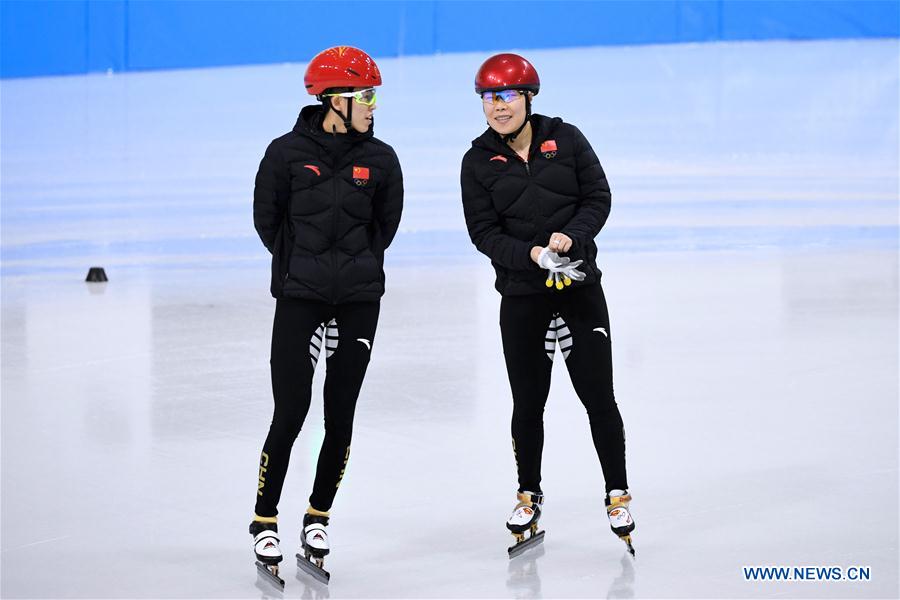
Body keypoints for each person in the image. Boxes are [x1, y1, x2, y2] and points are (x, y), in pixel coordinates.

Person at [459, 53, 636, 557]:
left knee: (598, 396)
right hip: (521, 296)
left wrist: (572, 238)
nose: (497, 107)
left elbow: (597, 197)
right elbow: (483, 233)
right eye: (489, 98)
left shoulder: (568, 138)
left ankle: (617, 493)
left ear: (528, 97)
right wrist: (532, 255)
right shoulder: (476, 161)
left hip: (579, 288)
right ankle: (528, 494)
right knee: (528, 403)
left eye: (507, 96)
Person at [249, 45, 403, 584]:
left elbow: (386, 226)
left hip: (358, 302)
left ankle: (318, 517)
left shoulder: (381, 159)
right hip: (301, 299)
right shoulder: (284, 154)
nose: (372, 105)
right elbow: (267, 222)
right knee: (290, 412)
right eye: (365, 95)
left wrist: (353, 269)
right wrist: (304, 268)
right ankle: (264, 518)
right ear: (333, 100)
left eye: (373, 95)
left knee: (340, 415)